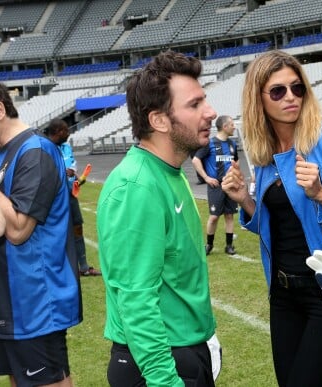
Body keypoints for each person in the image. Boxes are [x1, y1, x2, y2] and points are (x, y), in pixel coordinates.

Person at [221, 50, 322, 386]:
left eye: (297, 88)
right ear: (258, 100)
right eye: (278, 91)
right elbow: (278, 223)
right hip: (282, 294)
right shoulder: (265, 153)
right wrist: (244, 200)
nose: (291, 97)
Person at [96, 51, 219, 386]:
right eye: (194, 105)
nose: (210, 112)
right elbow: (136, 300)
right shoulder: (136, 187)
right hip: (157, 365)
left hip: (184, 350)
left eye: (204, 101)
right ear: (159, 121)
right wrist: (165, 380)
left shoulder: (170, 171)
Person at [0, 82, 81, 386]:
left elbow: (18, 230)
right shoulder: (3, 153)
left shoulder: (35, 151)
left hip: (35, 303)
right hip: (10, 302)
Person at [45, 118, 101, 276]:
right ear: (57, 132)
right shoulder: (43, 148)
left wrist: (76, 180)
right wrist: (64, 173)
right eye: (65, 130)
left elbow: (72, 168)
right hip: (53, 199)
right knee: (57, 231)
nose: (69, 132)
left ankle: (83, 267)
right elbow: (43, 174)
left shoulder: (66, 148)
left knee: (77, 228)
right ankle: (59, 268)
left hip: (70, 196)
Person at [192, 114, 239, 255]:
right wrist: (206, 177)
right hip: (216, 186)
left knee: (229, 215)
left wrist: (236, 175)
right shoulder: (210, 144)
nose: (234, 126)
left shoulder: (232, 144)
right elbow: (195, 160)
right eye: (231, 124)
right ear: (224, 127)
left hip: (230, 185)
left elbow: (236, 162)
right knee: (214, 217)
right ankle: (209, 245)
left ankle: (229, 246)